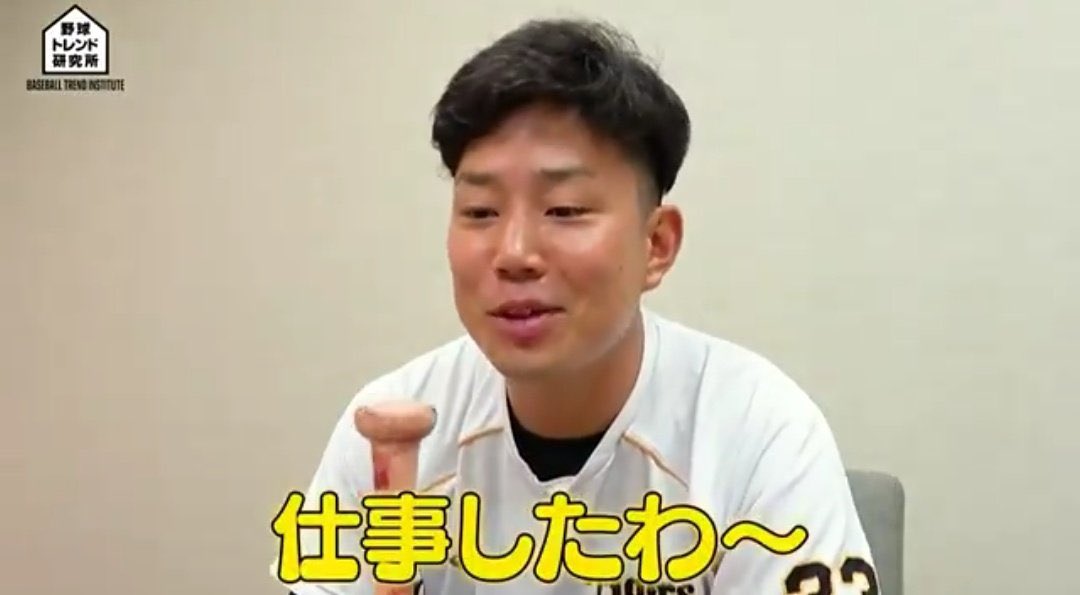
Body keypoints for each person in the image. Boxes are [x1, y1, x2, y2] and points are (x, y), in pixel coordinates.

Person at [274, 17, 879, 595]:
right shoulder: (385, 434)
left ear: (656, 245)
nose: (514, 253)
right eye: (480, 212)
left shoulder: (757, 433)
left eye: (564, 210)